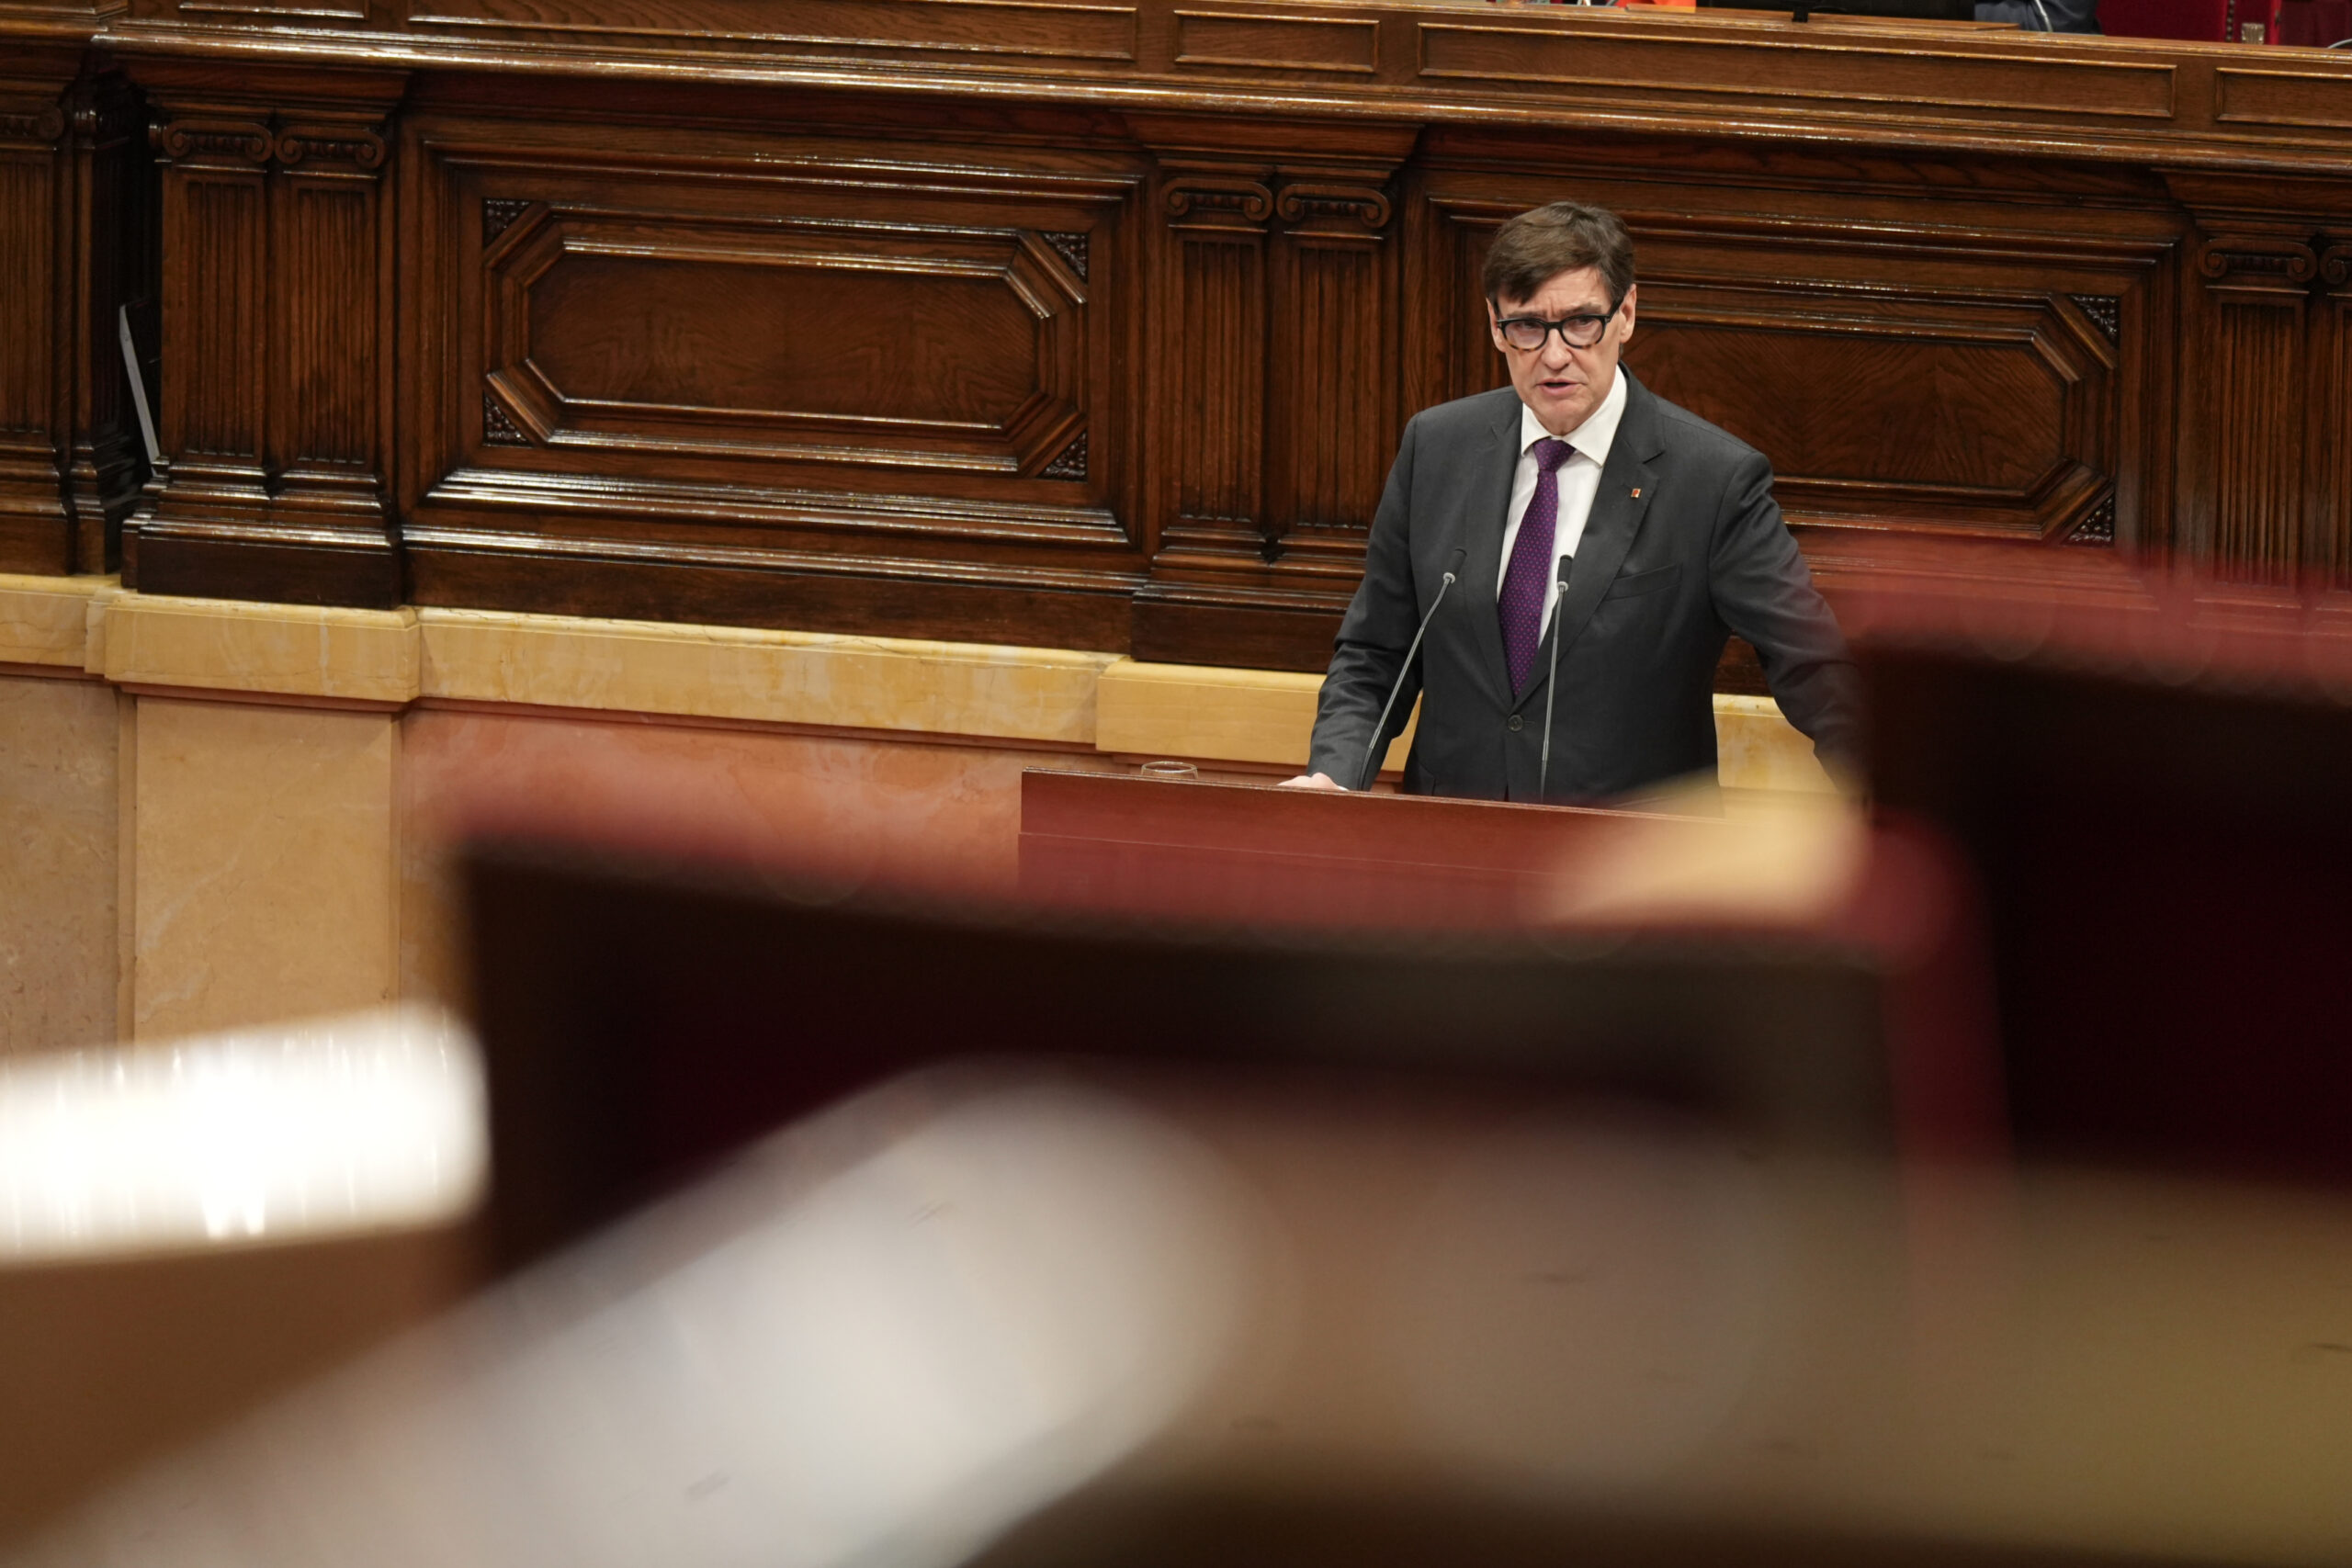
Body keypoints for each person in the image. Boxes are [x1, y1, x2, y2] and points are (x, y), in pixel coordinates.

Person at [1285, 201, 1860, 805]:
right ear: (1495, 325)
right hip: (1451, 838)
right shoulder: (1437, 448)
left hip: (1628, 851)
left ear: (1626, 314)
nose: (1555, 355)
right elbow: (1377, 653)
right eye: (1527, 326)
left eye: (1582, 323)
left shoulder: (1713, 480)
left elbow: (1812, 667)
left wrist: (1899, 807)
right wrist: (1335, 775)